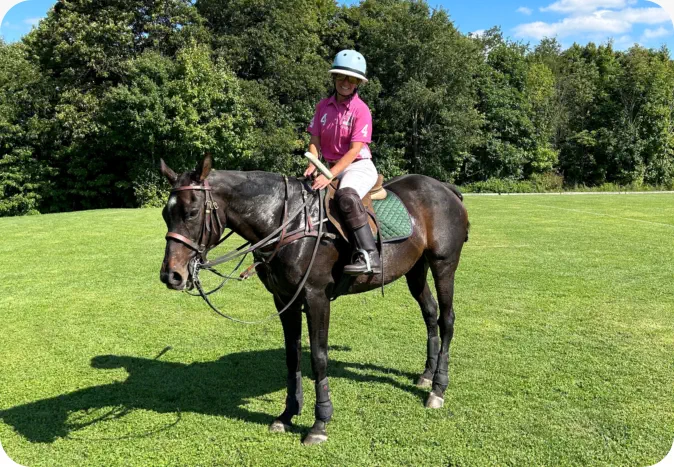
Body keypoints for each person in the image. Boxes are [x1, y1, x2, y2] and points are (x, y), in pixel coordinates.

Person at [304, 49, 381, 276]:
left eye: (352, 79)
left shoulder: (361, 110)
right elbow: (314, 140)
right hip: (330, 167)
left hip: (358, 165)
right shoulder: (322, 106)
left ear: (358, 83)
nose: (346, 83)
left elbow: (355, 149)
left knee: (346, 196)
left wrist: (329, 174)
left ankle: (369, 255)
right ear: (334, 77)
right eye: (341, 76)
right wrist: (313, 163)